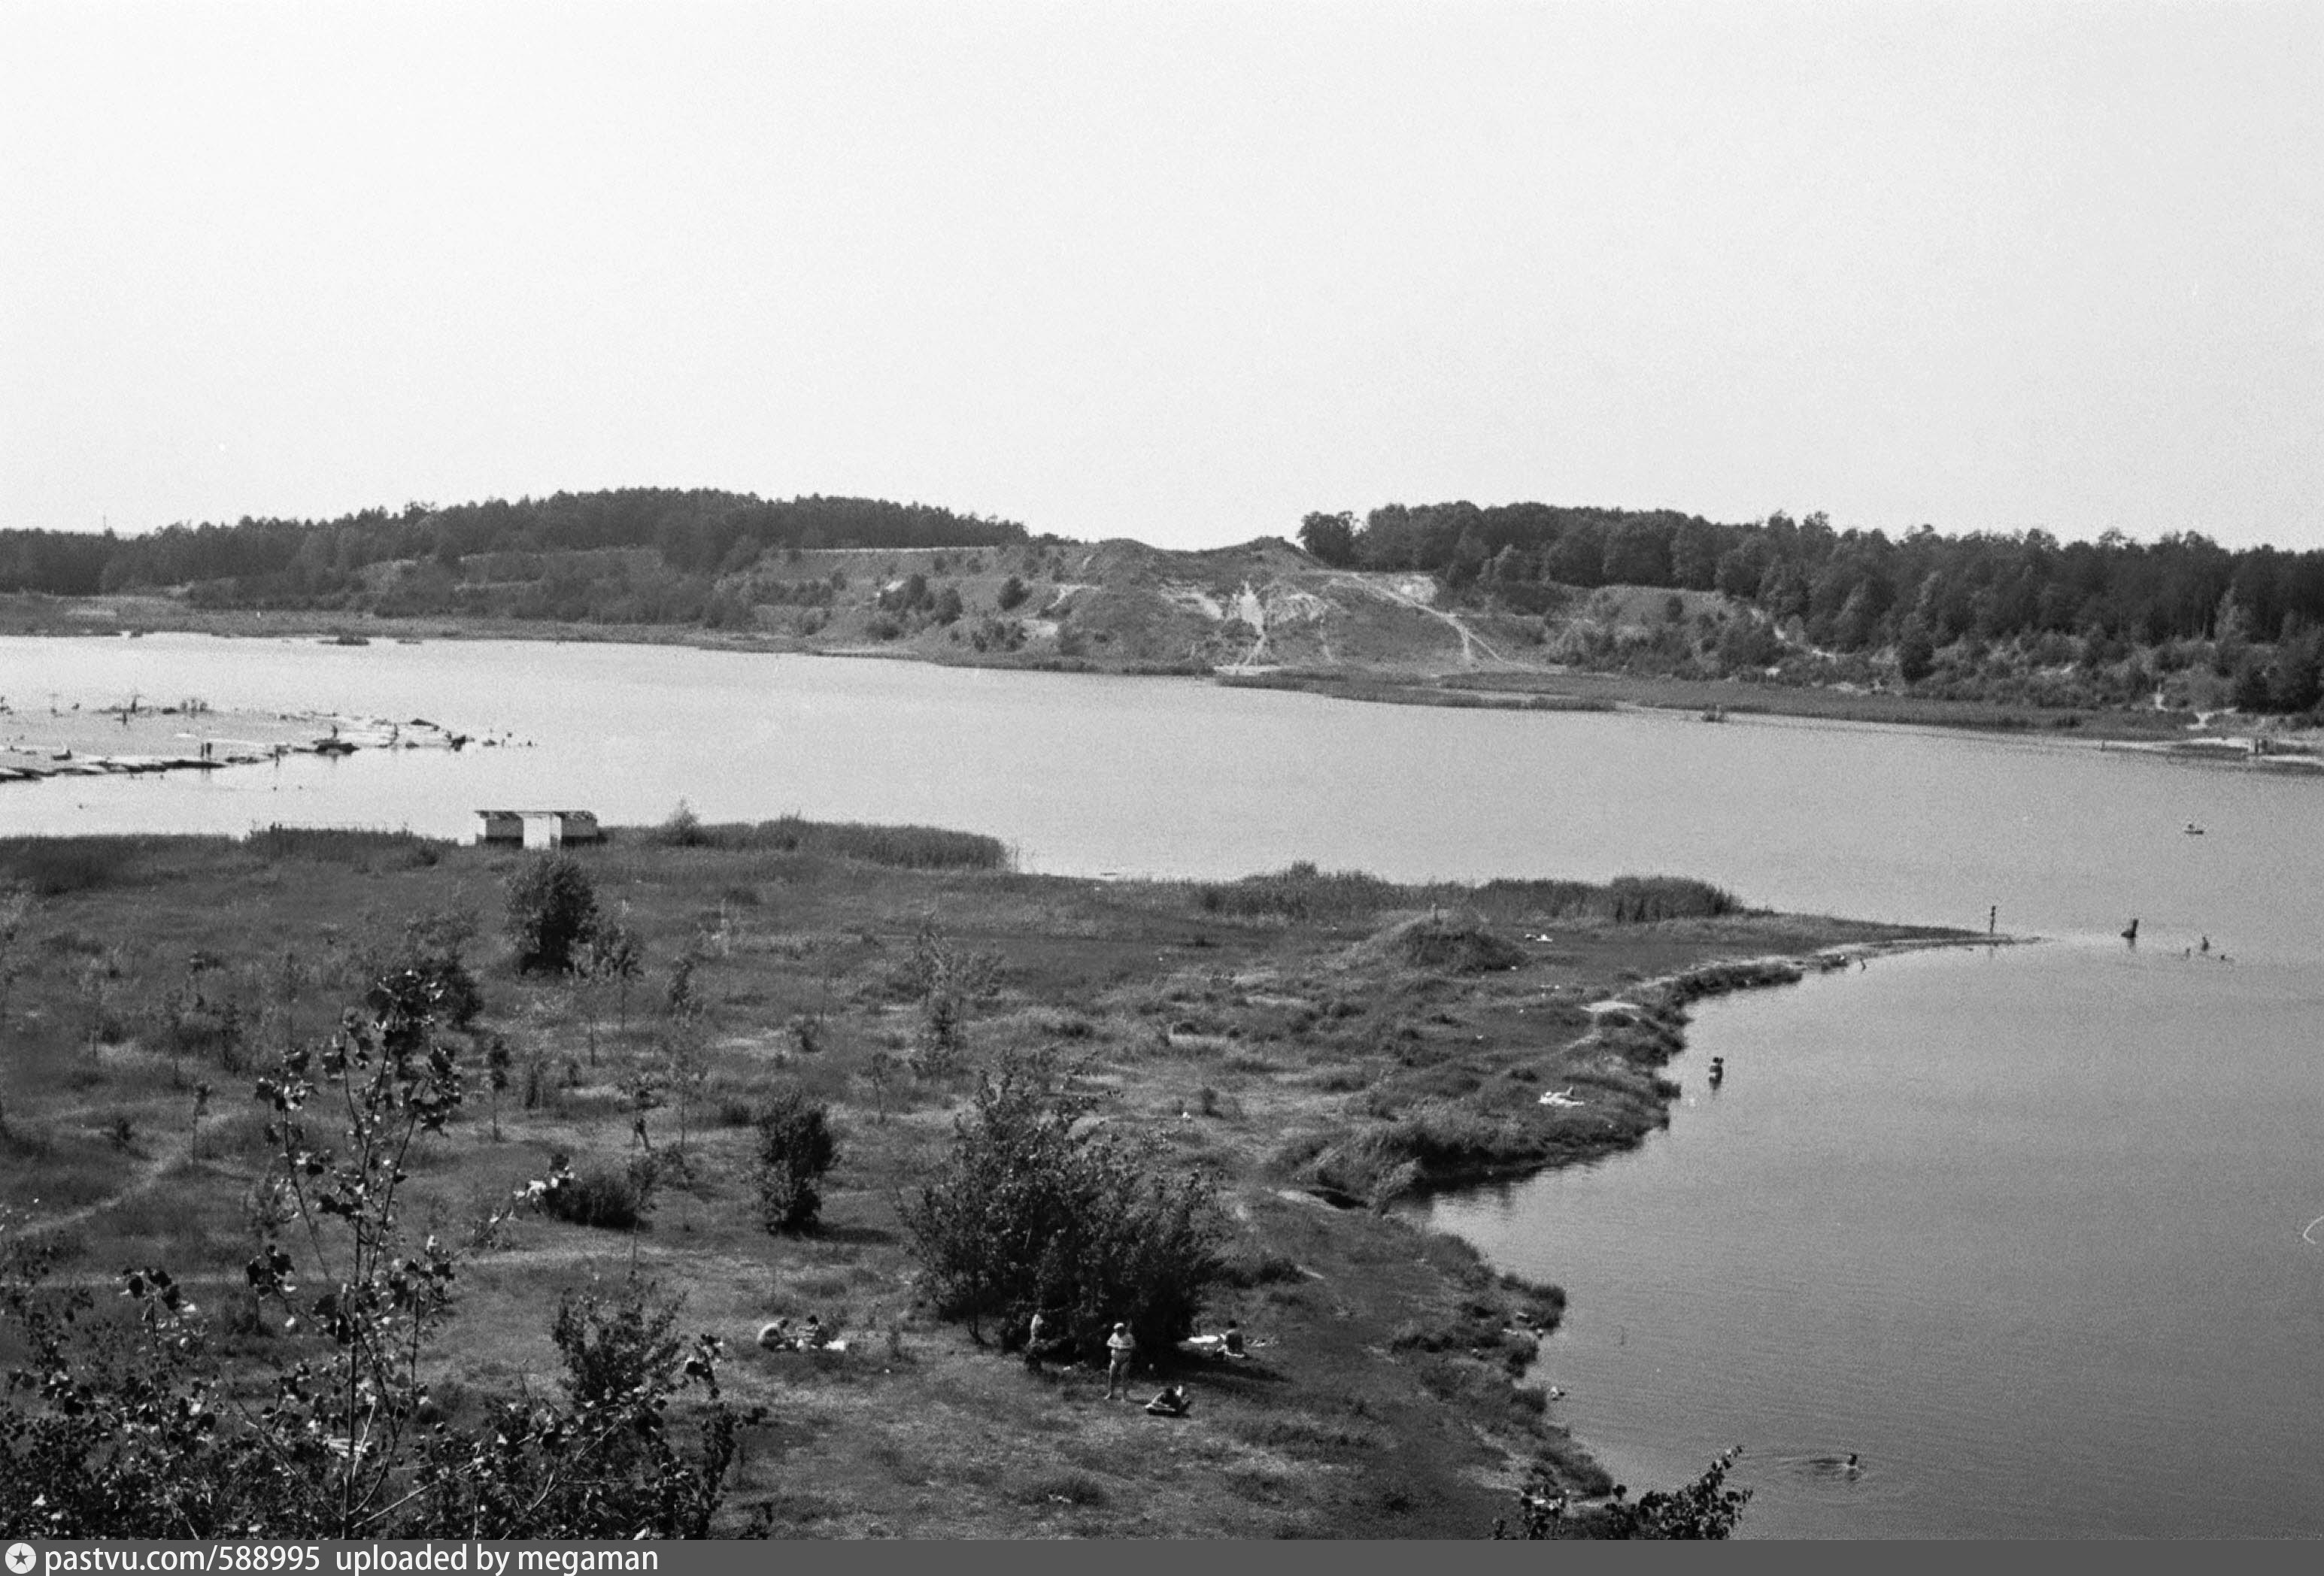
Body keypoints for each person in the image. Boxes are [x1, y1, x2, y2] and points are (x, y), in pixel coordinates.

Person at [1105, 1320, 1136, 1399]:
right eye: (1117, 1329)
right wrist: (1115, 1346)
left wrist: (1124, 1348)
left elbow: (1133, 1346)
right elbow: (1108, 1343)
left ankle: (1124, 1396)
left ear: (1123, 1329)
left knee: (1124, 1377)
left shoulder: (1129, 1336)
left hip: (1125, 1359)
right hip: (1115, 1359)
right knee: (1111, 1376)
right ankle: (1111, 1393)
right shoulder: (1114, 1335)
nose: (1118, 1330)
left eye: (1120, 1329)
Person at [1024, 1308, 1048, 1373]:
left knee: (1034, 1356)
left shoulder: (1035, 1318)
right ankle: (1035, 1370)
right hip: (1035, 1341)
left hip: (1033, 1340)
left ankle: (1033, 1369)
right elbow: (1038, 1330)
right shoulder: (1038, 1319)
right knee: (1035, 1356)